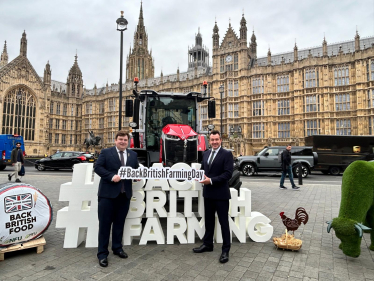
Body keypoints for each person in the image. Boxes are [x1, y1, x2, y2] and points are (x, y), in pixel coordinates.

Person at [94, 130, 139, 267]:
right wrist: (111, 176)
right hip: (107, 195)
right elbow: (98, 167)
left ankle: (117, 248)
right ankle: (102, 254)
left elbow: (135, 169)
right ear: (115, 140)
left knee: (119, 224)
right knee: (105, 225)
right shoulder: (106, 152)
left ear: (128, 141)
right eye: (120, 139)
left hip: (124, 195)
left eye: (125, 140)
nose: (123, 142)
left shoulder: (133, 154)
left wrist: (137, 176)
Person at [193, 130, 233, 263]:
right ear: (209, 141)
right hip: (208, 194)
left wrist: (210, 180)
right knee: (209, 221)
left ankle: (225, 250)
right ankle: (208, 244)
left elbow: (228, 174)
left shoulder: (227, 154)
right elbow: (203, 170)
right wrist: (194, 175)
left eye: (217, 139)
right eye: (212, 140)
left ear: (220, 140)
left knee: (223, 223)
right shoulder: (206, 153)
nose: (214, 142)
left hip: (221, 194)